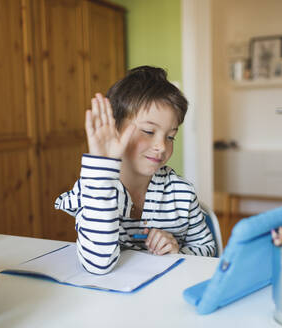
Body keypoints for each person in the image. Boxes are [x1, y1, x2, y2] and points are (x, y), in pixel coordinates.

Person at [55, 66, 216, 274]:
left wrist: (178, 252)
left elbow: (207, 249)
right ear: (115, 129)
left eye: (170, 136)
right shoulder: (94, 187)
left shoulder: (182, 194)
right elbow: (98, 264)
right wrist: (102, 165)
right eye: (149, 131)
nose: (161, 146)